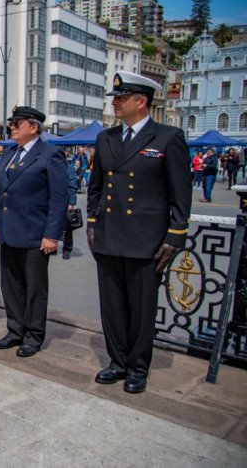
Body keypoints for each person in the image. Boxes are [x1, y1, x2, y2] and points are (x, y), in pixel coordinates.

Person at [87, 71, 191, 394]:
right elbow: (96, 187)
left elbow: (180, 193)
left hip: (146, 240)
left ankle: (137, 366)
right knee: (112, 305)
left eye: (121, 98)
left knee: (142, 308)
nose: (115, 103)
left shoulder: (167, 138)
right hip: (110, 235)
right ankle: (117, 360)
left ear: (141, 102)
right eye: (115, 98)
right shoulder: (106, 138)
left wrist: (175, 235)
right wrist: (92, 224)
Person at [0, 106, 68, 355]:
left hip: (35, 234)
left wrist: (52, 235)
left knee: (34, 288)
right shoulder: (8, 154)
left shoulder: (49, 154)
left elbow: (59, 198)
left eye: (17, 123)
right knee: (11, 286)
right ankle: (15, 330)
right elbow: (0, 195)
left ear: (34, 127)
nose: (12, 127)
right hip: (9, 231)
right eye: (11, 123)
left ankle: (33, 336)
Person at [62, 154, 80, 260]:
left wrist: (71, 202)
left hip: (65, 200)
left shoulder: (69, 168)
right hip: (53, 200)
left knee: (67, 227)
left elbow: (73, 185)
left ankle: (67, 249)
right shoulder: (51, 166)